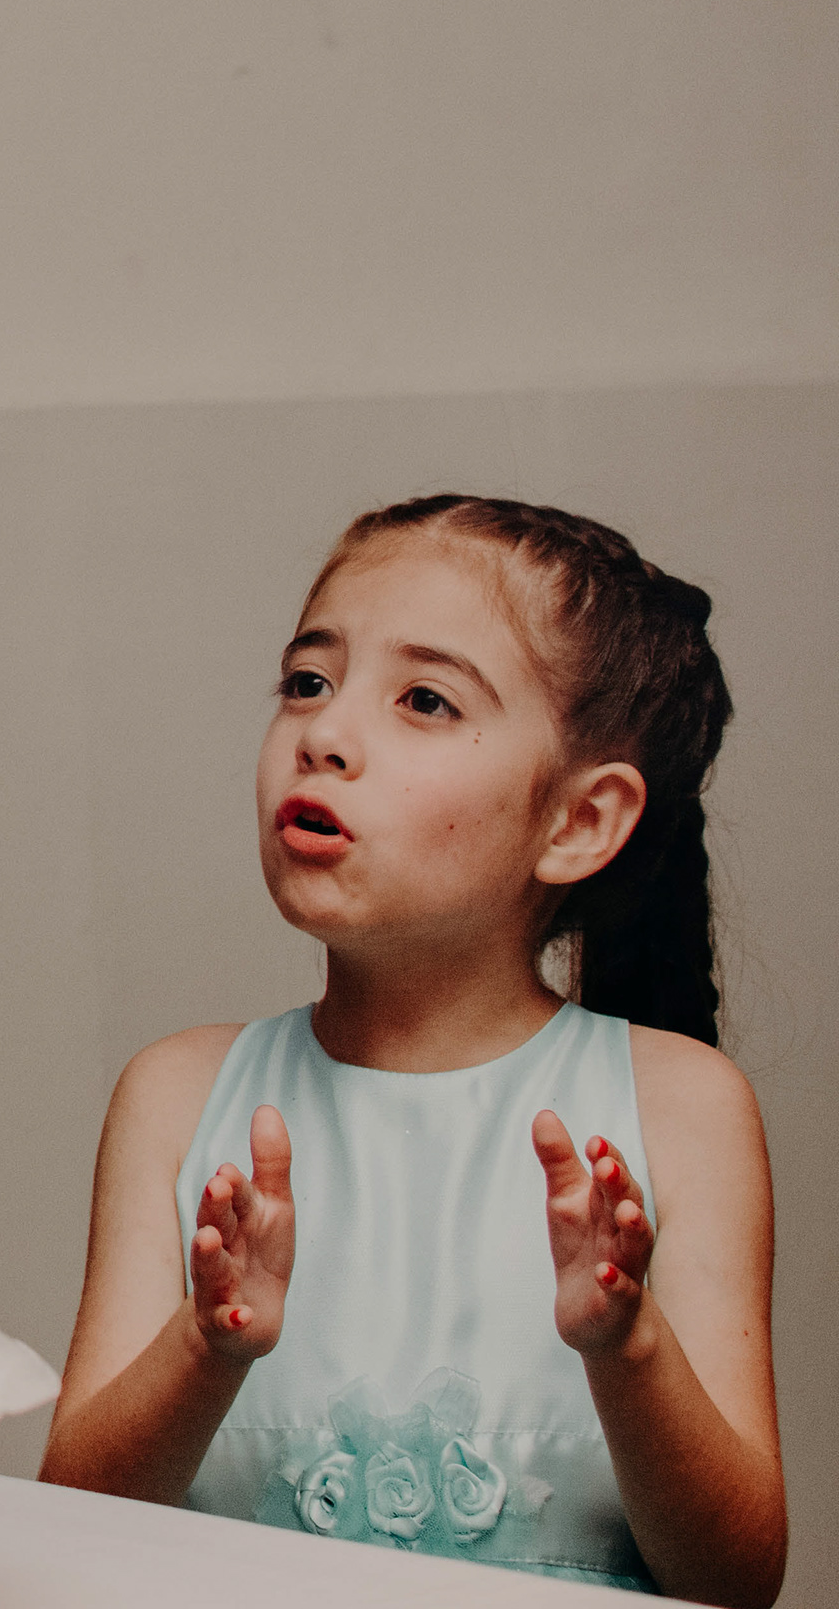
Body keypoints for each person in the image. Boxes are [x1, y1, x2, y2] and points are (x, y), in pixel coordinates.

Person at [39, 497, 782, 1602]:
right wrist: (208, 1345)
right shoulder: (178, 1095)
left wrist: (626, 1347)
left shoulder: (682, 1107)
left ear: (578, 821)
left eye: (424, 700)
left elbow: (738, 1579)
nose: (323, 735)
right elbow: (66, 1528)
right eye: (308, 681)